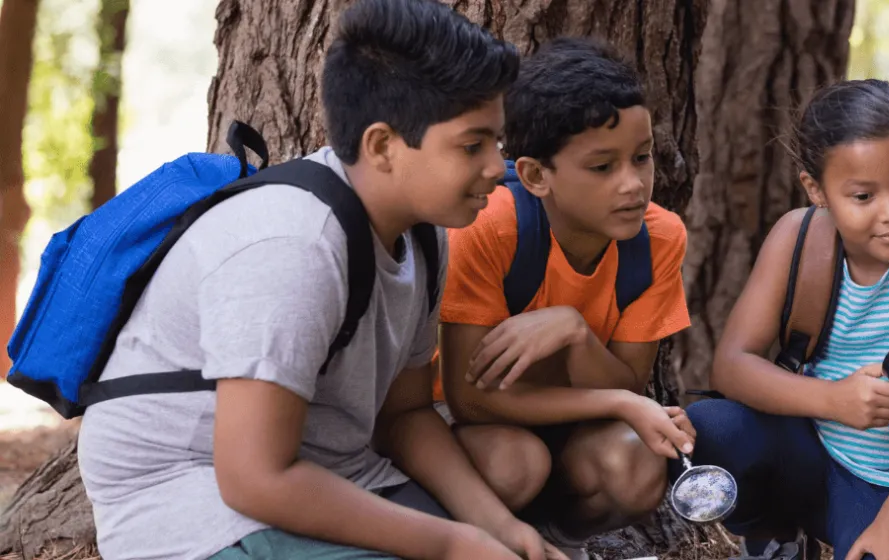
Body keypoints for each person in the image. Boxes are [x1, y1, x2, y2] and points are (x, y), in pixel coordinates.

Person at [74, 0, 561, 558]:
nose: (495, 167)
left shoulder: (425, 235)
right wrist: (452, 544)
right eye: (472, 145)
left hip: (326, 467)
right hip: (195, 495)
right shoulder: (297, 245)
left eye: (496, 143)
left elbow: (403, 415)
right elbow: (254, 479)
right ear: (382, 146)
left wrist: (497, 527)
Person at [688, 79, 889, 560]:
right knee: (713, 428)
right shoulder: (797, 239)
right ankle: (775, 539)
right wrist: (833, 399)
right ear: (815, 189)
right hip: (814, 458)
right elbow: (731, 365)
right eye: (863, 196)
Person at [435, 37, 697, 560]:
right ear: (536, 175)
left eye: (641, 158)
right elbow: (470, 400)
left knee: (636, 465)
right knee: (516, 462)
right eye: (602, 167)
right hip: (467, 428)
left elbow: (626, 380)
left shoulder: (658, 238)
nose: (633, 185)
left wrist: (575, 332)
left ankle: (552, 543)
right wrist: (622, 402)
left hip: (566, 426)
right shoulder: (490, 229)